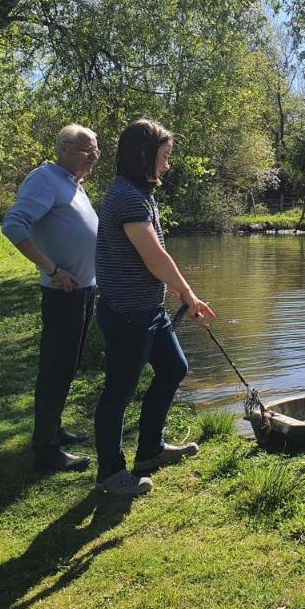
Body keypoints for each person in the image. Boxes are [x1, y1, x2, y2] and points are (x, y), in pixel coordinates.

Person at [93, 118, 215, 497]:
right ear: (144, 156)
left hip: (148, 308)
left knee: (174, 368)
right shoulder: (128, 197)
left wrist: (176, 294)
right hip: (129, 312)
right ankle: (110, 474)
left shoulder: (138, 191)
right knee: (119, 392)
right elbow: (154, 257)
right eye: (163, 156)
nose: (167, 164)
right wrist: (189, 295)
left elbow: (155, 260)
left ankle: (150, 451)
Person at [1, 124, 101, 473]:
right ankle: (46, 450)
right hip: (64, 292)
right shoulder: (45, 179)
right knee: (56, 368)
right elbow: (13, 225)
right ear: (64, 148)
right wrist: (53, 269)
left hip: (83, 291)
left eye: (97, 150)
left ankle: (53, 429)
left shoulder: (71, 184)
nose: (95, 157)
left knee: (67, 365)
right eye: (88, 149)